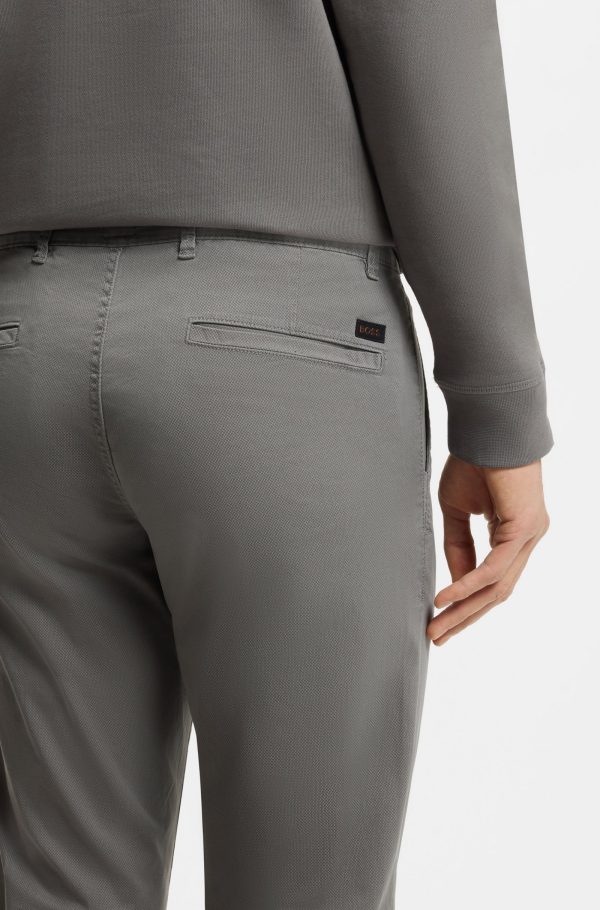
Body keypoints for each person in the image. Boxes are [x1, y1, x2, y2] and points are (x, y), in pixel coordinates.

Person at [0, 2, 552, 908]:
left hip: (24, 347)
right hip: (284, 352)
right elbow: (426, 49)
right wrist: (499, 405)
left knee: (53, 884)